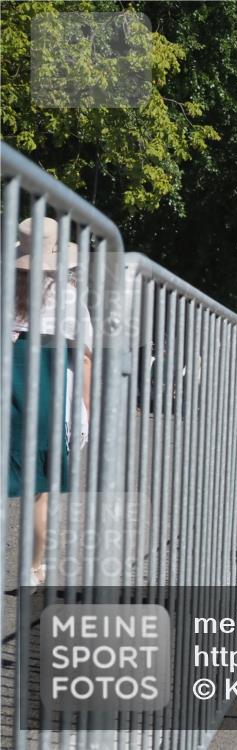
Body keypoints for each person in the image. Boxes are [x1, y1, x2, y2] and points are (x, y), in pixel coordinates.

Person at [8, 217, 93, 586]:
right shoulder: (68, 295)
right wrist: (86, 410)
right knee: (39, 491)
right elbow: (86, 357)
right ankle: (32, 567)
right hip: (44, 389)